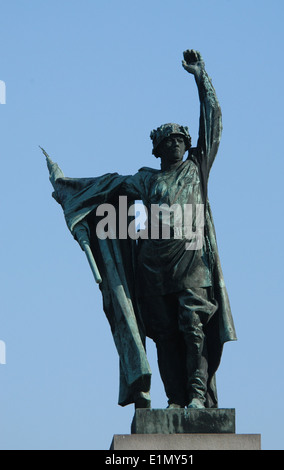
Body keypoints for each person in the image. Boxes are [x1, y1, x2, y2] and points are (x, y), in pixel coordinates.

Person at [44, 49, 236, 410]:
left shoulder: (197, 167)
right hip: (153, 269)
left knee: (193, 329)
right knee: (165, 336)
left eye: (181, 139)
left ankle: (197, 395)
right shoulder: (146, 179)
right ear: (159, 149)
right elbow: (106, 187)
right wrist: (69, 190)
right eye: (171, 141)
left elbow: (214, 121)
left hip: (193, 263)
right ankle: (176, 400)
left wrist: (201, 76)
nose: (178, 144)